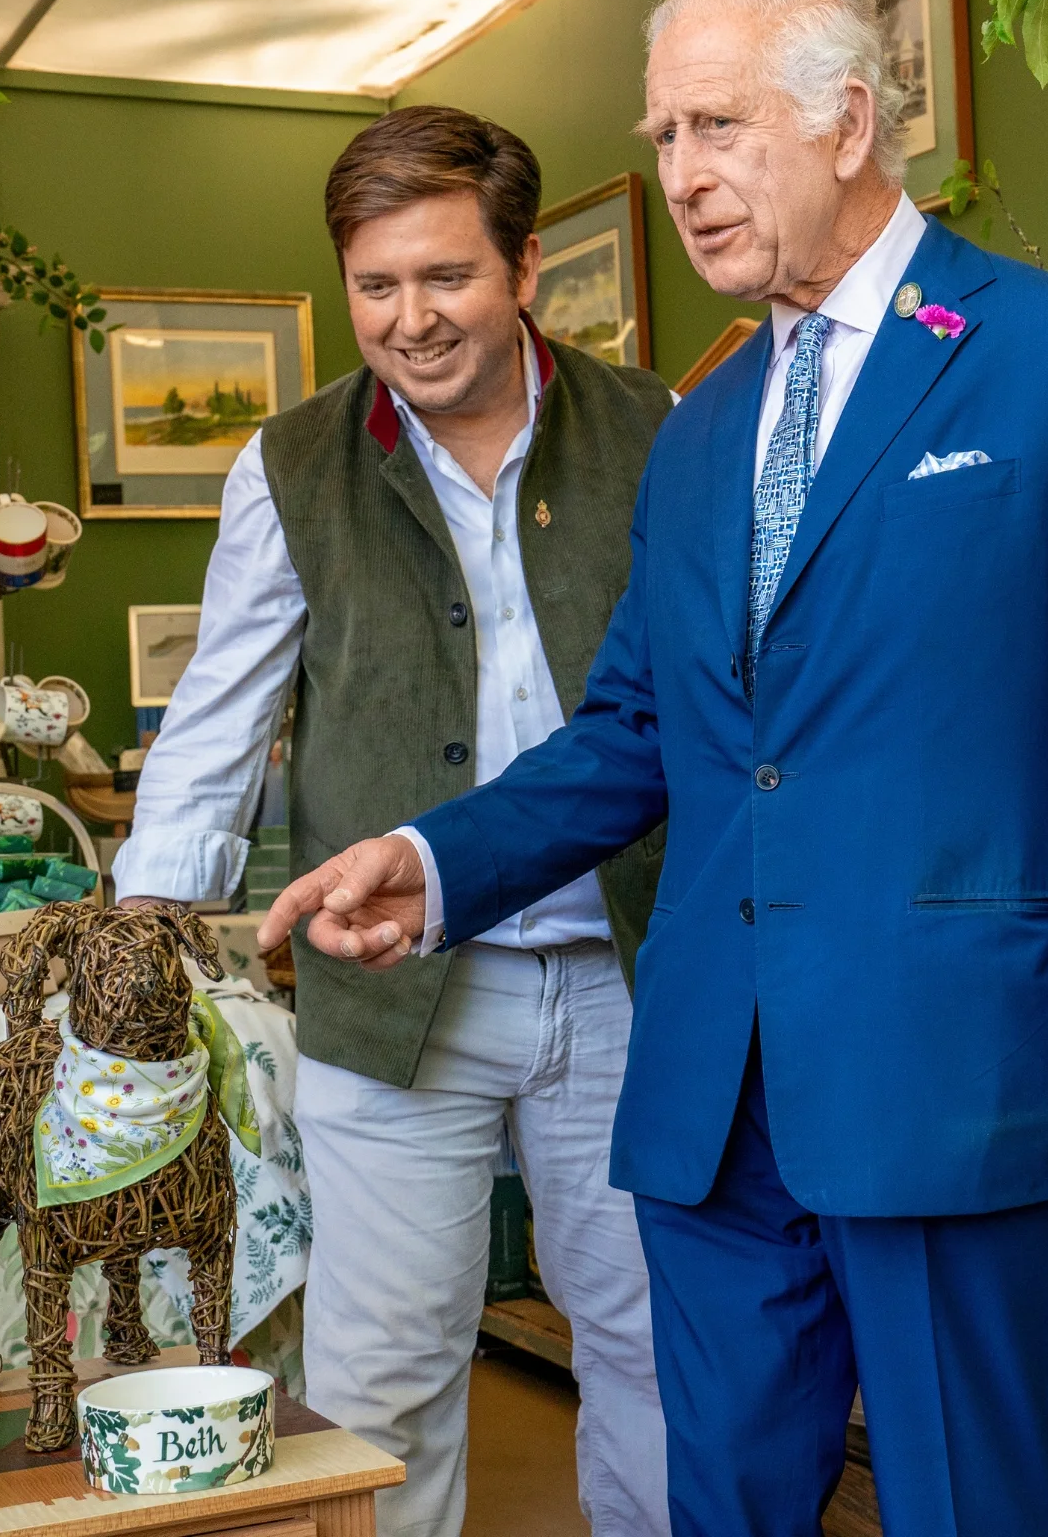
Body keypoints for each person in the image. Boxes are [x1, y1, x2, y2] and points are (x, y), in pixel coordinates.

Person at [257, 0, 1048, 1537]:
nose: (683, 177)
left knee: (959, 1511)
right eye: (663, 136)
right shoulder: (702, 429)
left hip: (956, 1079)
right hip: (716, 1096)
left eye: (716, 126)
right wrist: (437, 863)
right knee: (717, 1503)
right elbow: (642, 729)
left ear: (848, 121)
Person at [113, 105, 673, 1537]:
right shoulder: (289, 466)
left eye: (446, 279)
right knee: (380, 1376)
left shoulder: (657, 430)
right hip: (391, 988)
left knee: (656, 1353)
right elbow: (218, 718)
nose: (411, 320)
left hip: (628, 979)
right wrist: (138, 930)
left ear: (526, 266)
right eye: (377, 287)